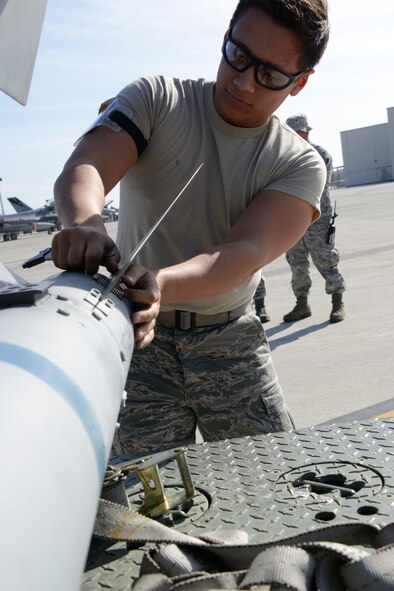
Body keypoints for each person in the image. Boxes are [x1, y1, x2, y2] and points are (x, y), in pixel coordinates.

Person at [51, 0, 329, 455]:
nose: (242, 82)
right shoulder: (156, 99)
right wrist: (86, 224)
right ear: (226, 34)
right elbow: (86, 167)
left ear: (299, 82)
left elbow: (242, 252)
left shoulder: (298, 164)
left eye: (270, 74)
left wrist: (161, 284)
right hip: (138, 345)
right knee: (140, 505)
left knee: (272, 483)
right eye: (237, 56)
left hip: (230, 348)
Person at [283, 113, 346, 323]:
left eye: (300, 132)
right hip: (291, 220)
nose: (297, 136)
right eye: (293, 133)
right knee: (296, 263)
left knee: (326, 259)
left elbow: (315, 183)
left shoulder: (320, 154)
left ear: (306, 131)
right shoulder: (283, 156)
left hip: (317, 218)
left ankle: (338, 302)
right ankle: (302, 304)